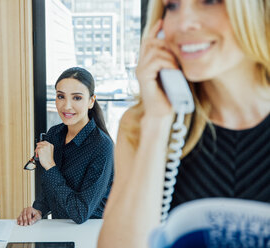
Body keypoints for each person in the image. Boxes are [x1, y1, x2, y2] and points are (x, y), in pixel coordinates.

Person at [98, 0, 270, 247]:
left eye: (209, 1)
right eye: (172, 6)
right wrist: (157, 123)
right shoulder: (140, 124)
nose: (183, 24)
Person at [17, 67, 114, 225]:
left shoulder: (102, 146)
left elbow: (80, 212)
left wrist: (50, 166)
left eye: (76, 98)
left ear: (91, 101)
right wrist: (39, 209)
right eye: (61, 96)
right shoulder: (55, 134)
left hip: (91, 235)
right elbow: (51, 189)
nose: (66, 106)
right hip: (59, 231)